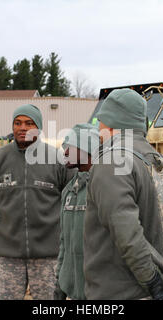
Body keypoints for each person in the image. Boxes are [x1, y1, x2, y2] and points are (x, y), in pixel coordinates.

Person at [83, 89, 163, 300]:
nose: (98, 128)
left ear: (110, 122)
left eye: (100, 121)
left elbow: (125, 231)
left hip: (120, 292)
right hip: (159, 286)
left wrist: (152, 281)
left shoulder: (111, 162)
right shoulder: (161, 163)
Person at [0, 104, 76, 300]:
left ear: (38, 127)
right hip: (7, 258)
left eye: (29, 123)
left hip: (49, 258)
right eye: (18, 123)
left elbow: (76, 194)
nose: (22, 128)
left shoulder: (58, 159)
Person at [54, 123, 99, 300]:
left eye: (70, 147)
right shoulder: (68, 191)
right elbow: (64, 244)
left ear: (87, 148)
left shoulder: (102, 188)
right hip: (73, 292)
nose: (65, 153)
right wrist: (60, 285)